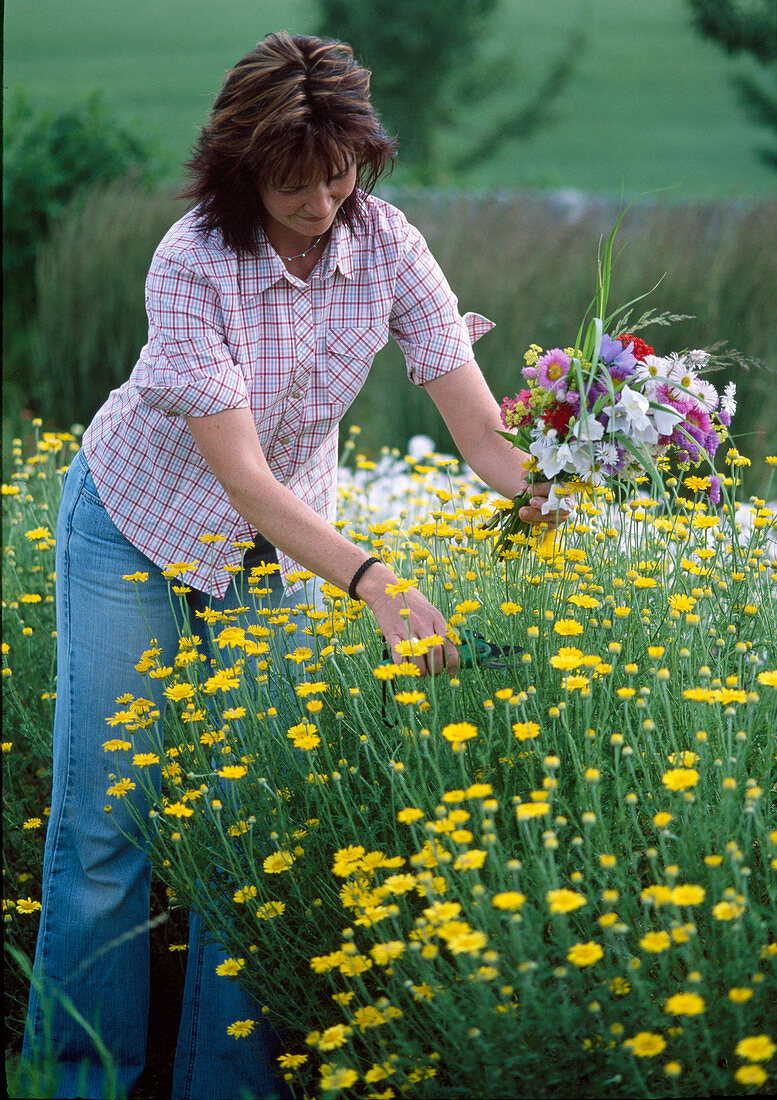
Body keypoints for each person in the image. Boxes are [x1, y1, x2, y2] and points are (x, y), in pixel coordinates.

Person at [21, 31, 571, 1100]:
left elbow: (479, 429)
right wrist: (374, 579)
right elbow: (243, 481)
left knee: (248, 824)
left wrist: (558, 479)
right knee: (107, 821)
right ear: (242, 163)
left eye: (339, 171)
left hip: (278, 554)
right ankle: (77, 1079)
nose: (322, 199)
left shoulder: (392, 243)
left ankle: (226, 1088)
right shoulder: (192, 262)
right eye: (294, 178)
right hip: (132, 526)